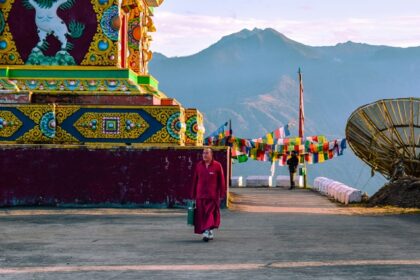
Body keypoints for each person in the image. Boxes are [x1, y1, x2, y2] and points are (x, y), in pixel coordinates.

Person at [191, 148, 226, 242]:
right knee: (201, 214)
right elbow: (195, 180)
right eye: (203, 153)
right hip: (200, 194)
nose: (204, 155)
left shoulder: (217, 166)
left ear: (211, 155)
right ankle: (209, 230)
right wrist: (193, 193)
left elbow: (221, 180)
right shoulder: (199, 166)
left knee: (209, 213)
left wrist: (222, 192)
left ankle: (206, 230)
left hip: (212, 195)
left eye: (207, 153)